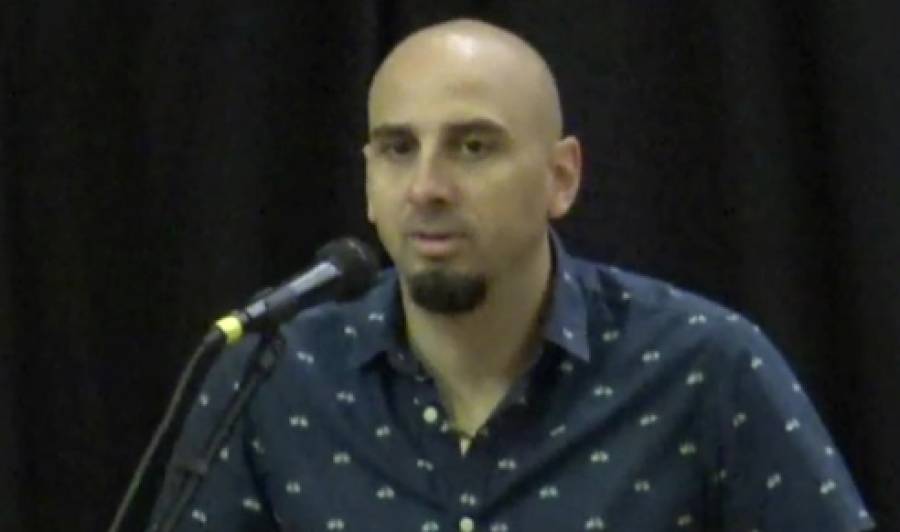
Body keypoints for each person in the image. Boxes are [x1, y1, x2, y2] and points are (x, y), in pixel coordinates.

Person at [147, 18, 875, 532]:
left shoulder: (706, 368)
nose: (427, 188)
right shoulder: (272, 375)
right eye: (398, 149)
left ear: (561, 177)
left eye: (472, 147)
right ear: (368, 180)